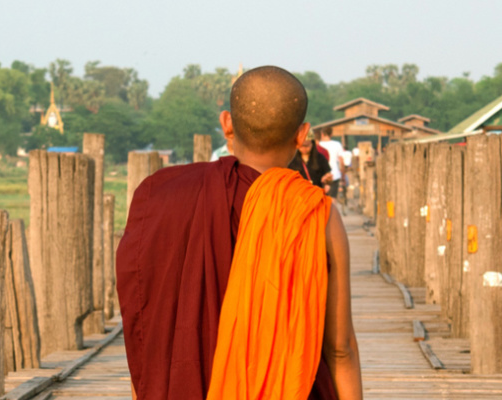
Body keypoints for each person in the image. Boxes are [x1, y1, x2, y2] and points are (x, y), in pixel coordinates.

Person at [117, 66, 363, 400]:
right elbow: (340, 349)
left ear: (227, 124)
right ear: (302, 134)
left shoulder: (160, 195)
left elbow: (144, 328)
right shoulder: (316, 213)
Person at [316, 131, 349, 198]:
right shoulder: (337, 144)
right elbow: (341, 161)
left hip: (322, 176)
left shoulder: (319, 145)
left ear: (322, 134)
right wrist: (343, 176)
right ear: (331, 134)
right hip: (334, 175)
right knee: (333, 200)